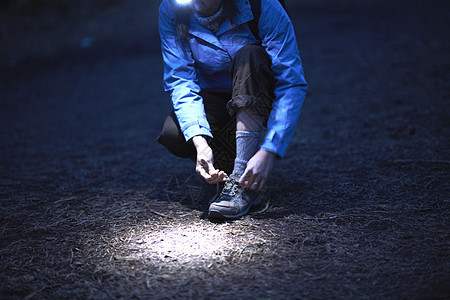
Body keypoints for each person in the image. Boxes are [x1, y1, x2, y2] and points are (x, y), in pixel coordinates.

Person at [157, 0, 307, 220]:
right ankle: (234, 173)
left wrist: (270, 150)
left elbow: (291, 81)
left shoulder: (261, 5)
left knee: (249, 56)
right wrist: (200, 143)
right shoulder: (171, 9)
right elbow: (181, 80)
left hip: (260, 93)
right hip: (217, 99)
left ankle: (242, 180)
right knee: (175, 134)